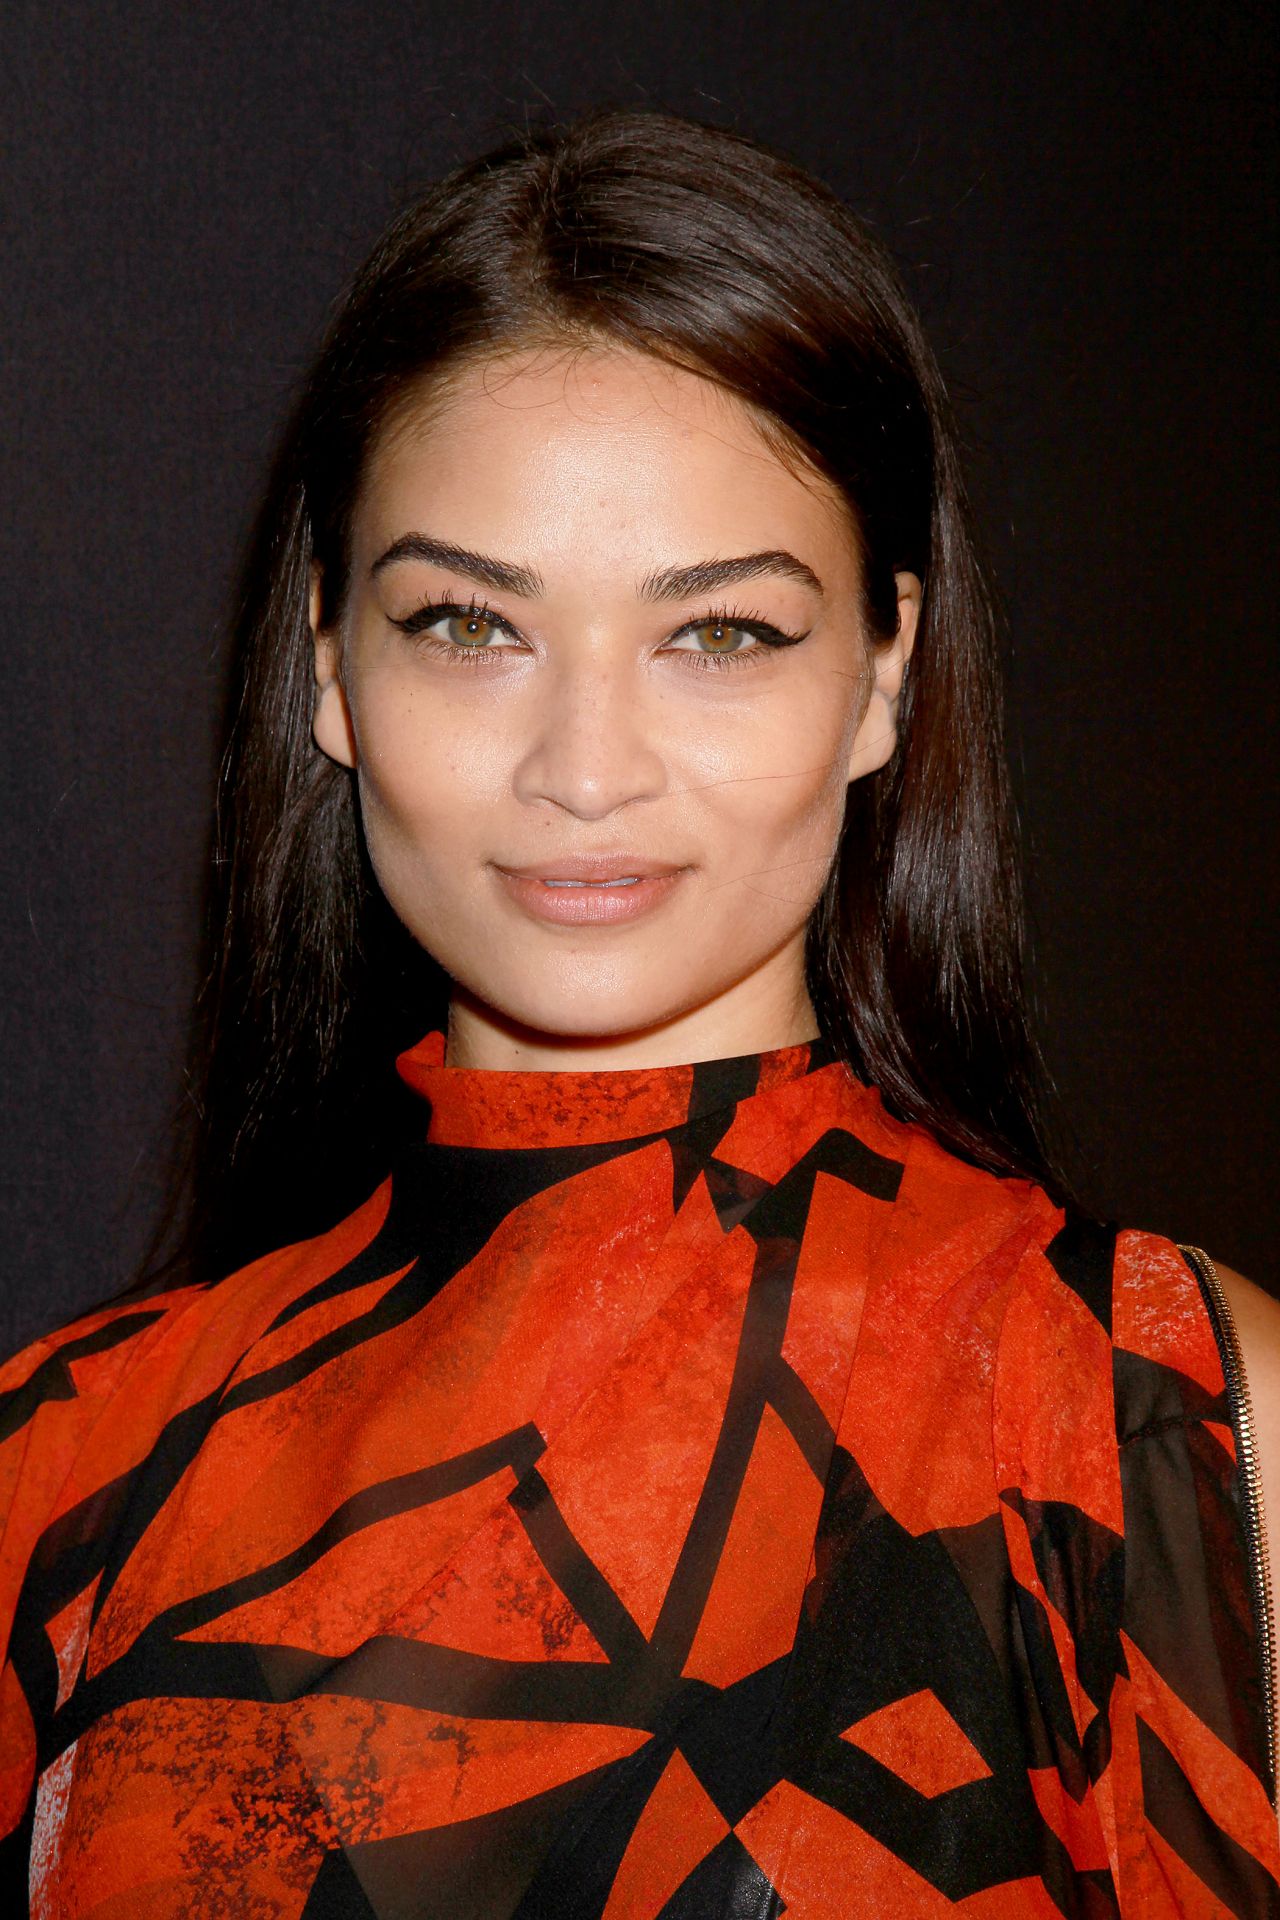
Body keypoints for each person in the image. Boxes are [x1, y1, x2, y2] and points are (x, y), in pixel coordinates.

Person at [0, 108, 1276, 1918]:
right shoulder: (66, 1472)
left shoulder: (1159, 1421)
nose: (584, 770)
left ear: (883, 677)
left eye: (720, 633)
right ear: (330, 664)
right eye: (469, 625)